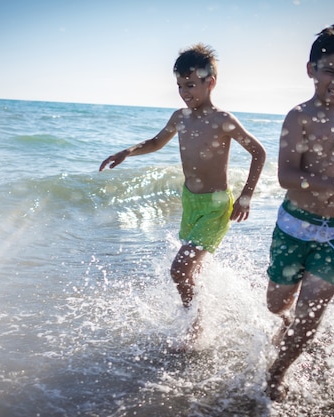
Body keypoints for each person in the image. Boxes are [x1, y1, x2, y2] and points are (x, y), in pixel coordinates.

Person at [99, 43, 266, 347]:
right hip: (190, 201)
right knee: (191, 270)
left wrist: (246, 196)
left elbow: (259, 152)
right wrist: (128, 151)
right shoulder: (180, 117)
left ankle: (196, 324)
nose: (184, 91)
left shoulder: (222, 119)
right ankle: (203, 315)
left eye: (190, 84)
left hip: (216, 206)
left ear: (210, 82)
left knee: (179, 270)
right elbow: (155, 142)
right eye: (179, 85)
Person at [264, 24, 334, 401]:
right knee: (277, 304)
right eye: (330, 69)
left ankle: (275, 373)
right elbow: (286, 176)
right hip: (296, 226)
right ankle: (285, 323)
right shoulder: (299, 116)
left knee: (312, 313)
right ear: (311, 69)